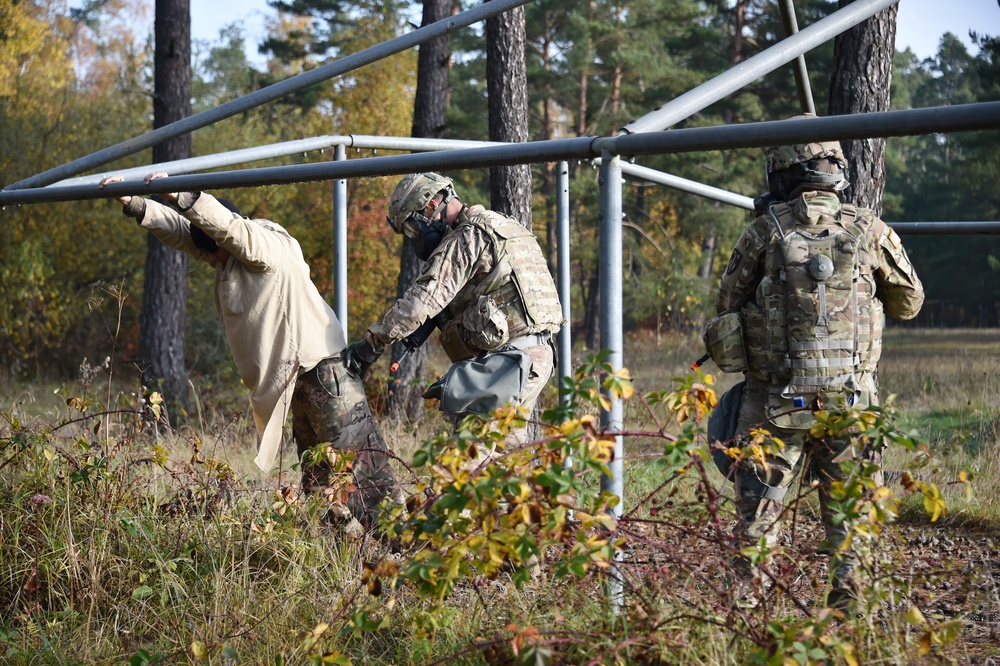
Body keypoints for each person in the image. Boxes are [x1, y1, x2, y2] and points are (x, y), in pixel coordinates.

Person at [98, 172, 403, 531]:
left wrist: (180, 192)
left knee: (364, 473)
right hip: (299, 382)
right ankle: (351, 559)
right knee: (320, 484)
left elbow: (226, 228)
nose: (211, 261)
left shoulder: (265, 247)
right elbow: (186, 235)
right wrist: (135, 203)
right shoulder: (230, 255)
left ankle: (407, 551)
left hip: (325, 374)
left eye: (213, 252)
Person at [708, 126, 924, 606]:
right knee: (851, 525)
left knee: (757, 522)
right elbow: (910, 302)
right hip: (851, 403)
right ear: (837, 174)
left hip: (774, 404)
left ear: (781, 173)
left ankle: (744, 621)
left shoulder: (765, 229)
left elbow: (725, 303)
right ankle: (849, 623)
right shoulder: (868, 227)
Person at [343, 172, 563, 449]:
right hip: (532, 355)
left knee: (470, 460)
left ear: (431, 206)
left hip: (510, 360)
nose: (415, 239)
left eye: (412, 228)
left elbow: (420, 303)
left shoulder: (467, 237)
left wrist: (371, 345)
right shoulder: (503, 226)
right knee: (504, 463)